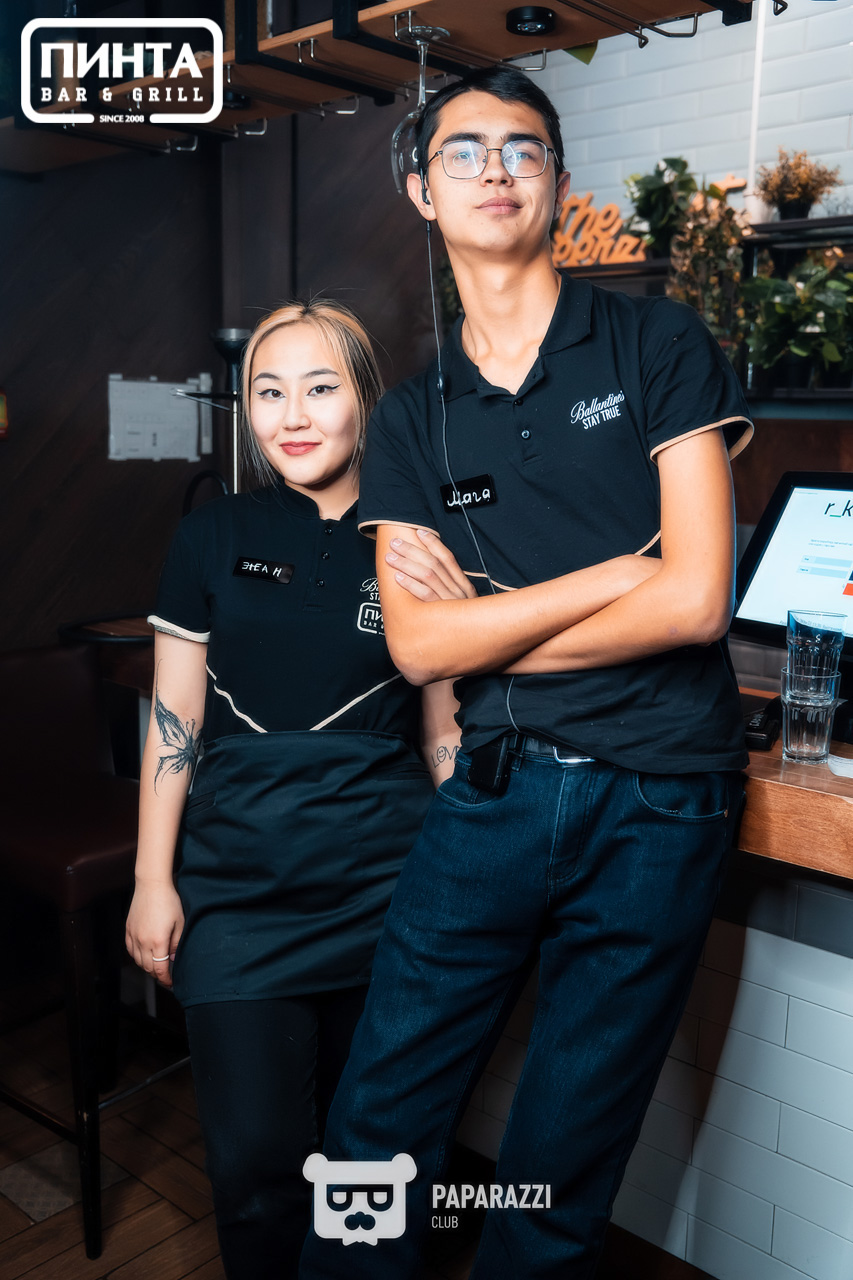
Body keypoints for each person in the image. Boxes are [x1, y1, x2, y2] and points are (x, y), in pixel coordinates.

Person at [299, 66, 753, 1279]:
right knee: (374, 1125)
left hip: (662, 794)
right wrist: (615, 575)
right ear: (419, 189)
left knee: (559, 1163)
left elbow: (697, 599)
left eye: (523, 148)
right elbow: (417, 646)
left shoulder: (657, 342)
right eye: (462, 150)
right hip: (494, 786)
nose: (494, 169)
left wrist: (490, 623)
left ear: (557, 179)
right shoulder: (412, 418)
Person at [124, 299, 461, 1280]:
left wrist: (467, 880)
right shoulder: (210, 533)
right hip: (236, 893)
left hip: (388, 891)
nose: (293, 415)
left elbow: (442, 730)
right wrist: (153, 879)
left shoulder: (413, 540)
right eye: (269, 392)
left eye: (320, 387)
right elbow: (174, 720)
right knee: (254, 1171)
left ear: (366, 398)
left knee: (375, 1162)